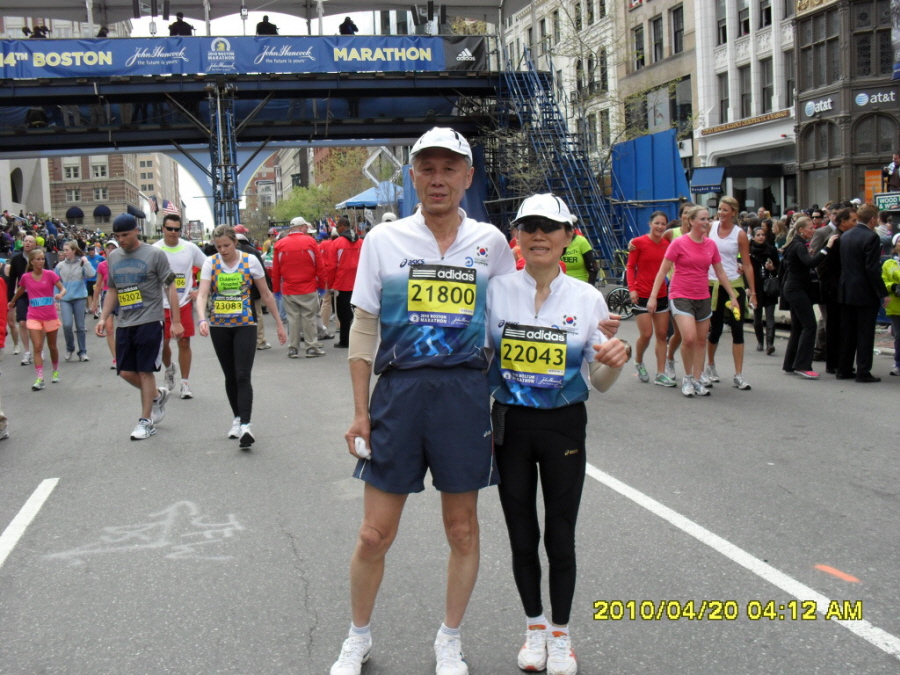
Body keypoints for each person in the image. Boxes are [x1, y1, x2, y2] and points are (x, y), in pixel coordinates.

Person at [330, 127, 516, 675]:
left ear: (467, 177)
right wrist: (360, 411)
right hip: (400, 394)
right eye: (427, 168)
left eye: (449, 168)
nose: (438, 179)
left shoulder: (491, 243)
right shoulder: (384, 241)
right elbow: (364, 327)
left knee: (462, 529)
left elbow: (511, 318)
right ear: (412, 176)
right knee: (373, 534)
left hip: (463, 394)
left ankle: (449, 639)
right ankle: (357, 637)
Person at [486, 194, 627, 675]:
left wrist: (616, 361)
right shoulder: (496, 291)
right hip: (510, 425)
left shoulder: (587, 298)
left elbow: (600, 381)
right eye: (529, 226)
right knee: (521, 534)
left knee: (560, 536)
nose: (539, 235)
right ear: (517, 236)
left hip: (564, 425)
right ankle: (535, 627)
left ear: (569, 236)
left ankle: (562, 634)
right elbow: (477, 357)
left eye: (549, 227)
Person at [195, 225, 286, 449]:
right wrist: (202, 318)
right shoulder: (210, 263)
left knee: (242, 374)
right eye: (219, 247)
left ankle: (246, 426)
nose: (223, 250)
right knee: (230, 375)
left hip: (245, 324)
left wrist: (279, 324)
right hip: (219, 325)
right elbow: (203, 294)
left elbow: (266, 293)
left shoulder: (250, 261)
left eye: (226, 245)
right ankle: (236, 419)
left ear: (235, 243)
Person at [95, 214, 182, 441]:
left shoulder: (155, 254)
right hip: (125, 321)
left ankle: (146, 421)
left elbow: (170, 286)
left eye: (125, 235)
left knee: (145, 370)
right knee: (125, 371)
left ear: (136, 231)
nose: (121, 240)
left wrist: (176, 320)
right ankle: (157, 395)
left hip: (150, 320)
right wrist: (103, 317)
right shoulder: (114, 257)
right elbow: (112, 290)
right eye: (117, 236)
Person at [647, 206, 738, 397]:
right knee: (688, 338)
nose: (707, 222)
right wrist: (653, 297)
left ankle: (697, 379)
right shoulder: (679, 243)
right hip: (680, 295)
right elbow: (663, 270)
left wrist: (733, 296)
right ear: (691, 221)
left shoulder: (710, 245)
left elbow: (720, 272)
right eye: (702, 219)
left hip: (702, 296)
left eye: (708, 219)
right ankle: (687, 378)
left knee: (701, 340)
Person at [703, 196, 756, 391]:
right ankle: (710, 365)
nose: (721, 213)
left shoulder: (739, 234)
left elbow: (747, 264)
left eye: (725, 210)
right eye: (719, 209)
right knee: (715, 328)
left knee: (737, 328)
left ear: (734, 212)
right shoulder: (710, 227)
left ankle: (738, 375)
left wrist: (753, 292)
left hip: (733, 283)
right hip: (712, 283)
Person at [153, 214, 208, 399]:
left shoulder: (189, 248)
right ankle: (169, 369)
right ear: (163, 229)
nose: (173, 232)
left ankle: (185, 383)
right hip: (160, 305)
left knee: (184, 342)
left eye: (177, 229)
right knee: (163, 344)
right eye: (170, 228)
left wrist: (200, 290)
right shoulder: (155, 250)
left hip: (183, 302)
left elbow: (208, 266)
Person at [780, 217, 837, 379]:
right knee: (810, 325)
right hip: (796, 289)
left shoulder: (797, 244)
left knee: (798, 327)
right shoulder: (798, 245)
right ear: (801, 230)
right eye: (810, 228)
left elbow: (803, 261)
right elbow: (810, 263)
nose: (813, 230)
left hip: (794, 288)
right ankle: (802, 365)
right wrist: (827, 248)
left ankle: (790, 364)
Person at [837, 204, 889, 382]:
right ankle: (863, 371)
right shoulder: (871, 237)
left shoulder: (845, 235)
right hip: (864, 291)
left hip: (846, 289)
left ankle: (844, 368)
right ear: (873, 219)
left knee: (848, 332)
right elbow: (872, 268)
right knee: (865, 333)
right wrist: (882, 292)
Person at [626, 211, 673, 386]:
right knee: (646, 334)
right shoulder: (638, 243)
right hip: (642, 294)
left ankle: (660, 373)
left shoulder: (667, 245)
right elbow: (630, 266)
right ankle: (638, 361)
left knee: (662, 335)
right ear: (650, 224)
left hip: (661, 294)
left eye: (663, 224)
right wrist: (632, 289)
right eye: (657, 223)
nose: (660, 227)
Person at [8, 249, 65, 390]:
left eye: (42, 259)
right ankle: (40, 378)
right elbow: (20, 290)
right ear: (32, 261)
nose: (41, 261)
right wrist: (12, 301)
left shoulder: (50, 274)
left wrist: (60, 295)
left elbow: (62, 289)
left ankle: (55, 371)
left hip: (50, 316)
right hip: (33, 316)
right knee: (38, 346)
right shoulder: (26, 277)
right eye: (38, 259)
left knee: (52, 346)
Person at [271, 217, 326, 358]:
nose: (307, 230)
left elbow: (276, 271)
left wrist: (276, 290)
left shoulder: (279, 244)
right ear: (302, 227)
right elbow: (320, 267)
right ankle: (311, 346)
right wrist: (322, 286)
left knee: (293, 319)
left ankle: (293, 348)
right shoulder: (311, 242)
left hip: (289, 289)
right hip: (308, 287)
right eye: (306, 227)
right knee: (309, 318)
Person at [55, 242, 95, 362]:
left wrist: (86, 262)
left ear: (73, 250)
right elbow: (55, 283)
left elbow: (91, 274)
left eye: (67, 250)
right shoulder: (60, 266)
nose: (64, 252)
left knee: (80, 326)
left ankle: (82, 352)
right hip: (65, 298)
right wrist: (55, 299)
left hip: (79, 297)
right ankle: (70, 347)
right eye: (64, 250)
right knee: (67, 325)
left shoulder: (81, 263)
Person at [329, 216, 362, 349]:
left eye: (337, 227)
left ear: (342, 226)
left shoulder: (337, 243)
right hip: (359, 282)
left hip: (342, 283)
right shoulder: (361, 242)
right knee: (359, 313)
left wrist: (331, 285)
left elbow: (331, 266)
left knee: (343, 314)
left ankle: (345, 340)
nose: (336, 229)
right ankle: (360, 339)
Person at [748, 227, 779, 355]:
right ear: (753, 237)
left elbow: (779, 268)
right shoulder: (748, 251)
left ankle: (770, 344)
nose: (761, 237)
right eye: (758, 235)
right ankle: (760, 341)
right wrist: (747, 288)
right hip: (755, 287)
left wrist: (772, 268)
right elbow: (744, 270)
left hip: (769, 286)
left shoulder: (772, 250)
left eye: (763, 235)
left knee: (770, 316)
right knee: (757, 318)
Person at [8, 235, 37, 365]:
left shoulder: (39, 257)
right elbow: (12, 280)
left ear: (35, 245)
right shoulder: (16, 259)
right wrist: (11, 300)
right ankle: (27, 352)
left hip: (37, 295)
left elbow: (47, 275)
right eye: (26, 241)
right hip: (22, 295)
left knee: (37, 324)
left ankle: (38, 349)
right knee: (22, 323)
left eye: (30, 241)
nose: (27, 243)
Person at [91, 240, 119, 369]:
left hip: (122, 295)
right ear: (105, 250)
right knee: (109, 328)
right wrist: (94, 303)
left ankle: (127, 354)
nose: (111, 250)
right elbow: (98, 285)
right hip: (107, 296)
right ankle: (115, 358)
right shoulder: (102, 265)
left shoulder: (123, 262)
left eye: (114, 248)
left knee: (126, 327)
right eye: (109, 248)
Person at [881, 234, 900, 376]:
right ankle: (898, 364)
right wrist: (893, 286)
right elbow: (883, 281)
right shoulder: (889, 263)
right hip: (895, 306)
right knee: (899, 336)